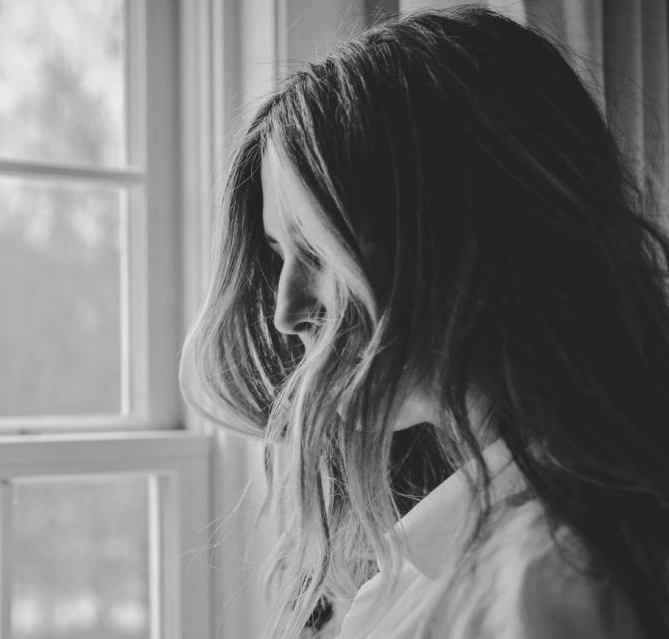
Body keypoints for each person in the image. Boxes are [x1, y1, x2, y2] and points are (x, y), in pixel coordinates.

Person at [181, 7, 669, 639]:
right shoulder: (454, 553)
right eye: (279, 257)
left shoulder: (546, 588)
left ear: (465, 236)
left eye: (318, 250)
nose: (285, 312)